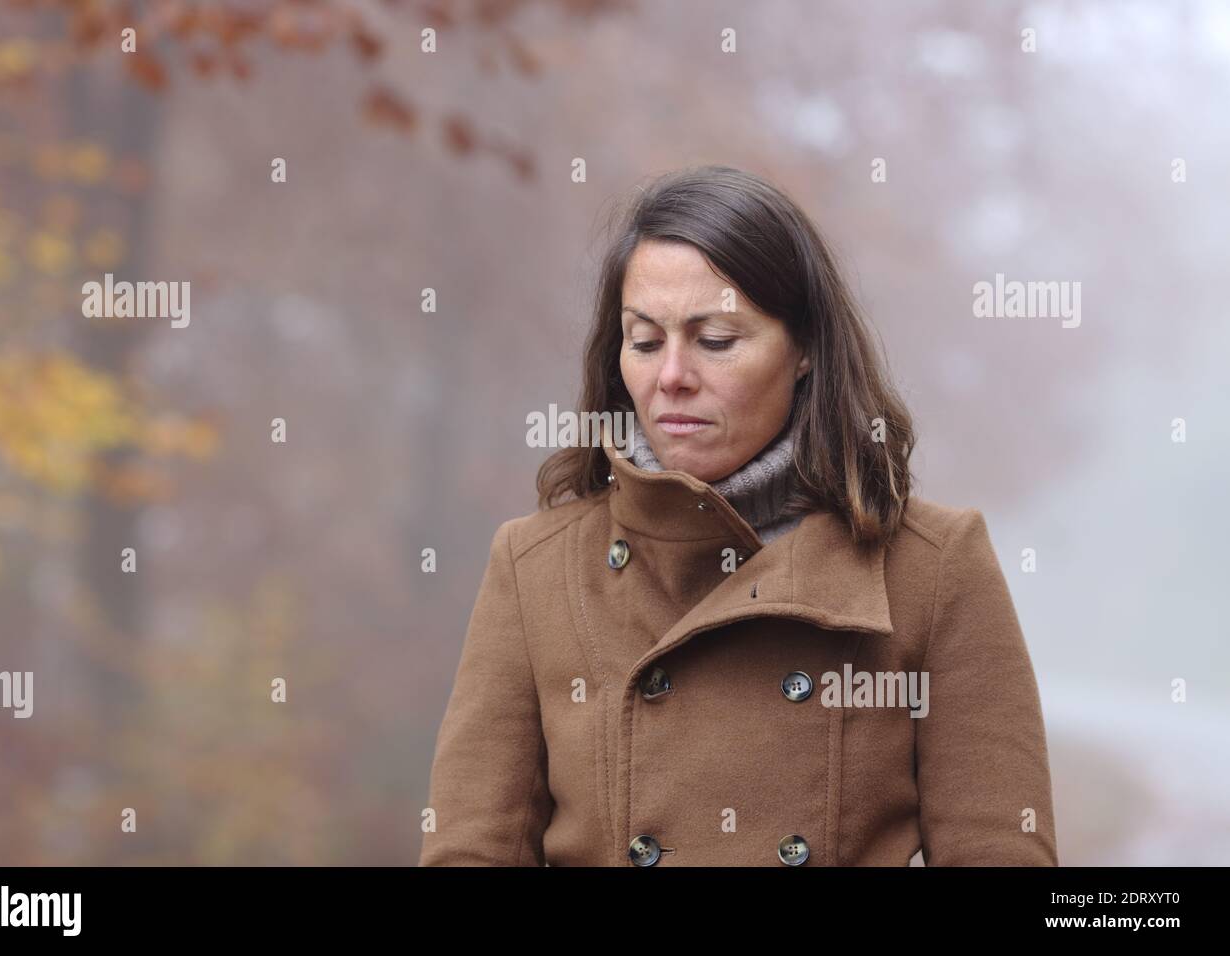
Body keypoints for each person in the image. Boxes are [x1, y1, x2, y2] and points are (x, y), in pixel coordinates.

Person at [419, 165, 1057, 866]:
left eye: (715, 339)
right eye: (645, 340)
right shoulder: (535, 566)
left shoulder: (931, 567)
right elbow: (470, 852)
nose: (672, 377)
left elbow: (1000, 854)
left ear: (806, 349)